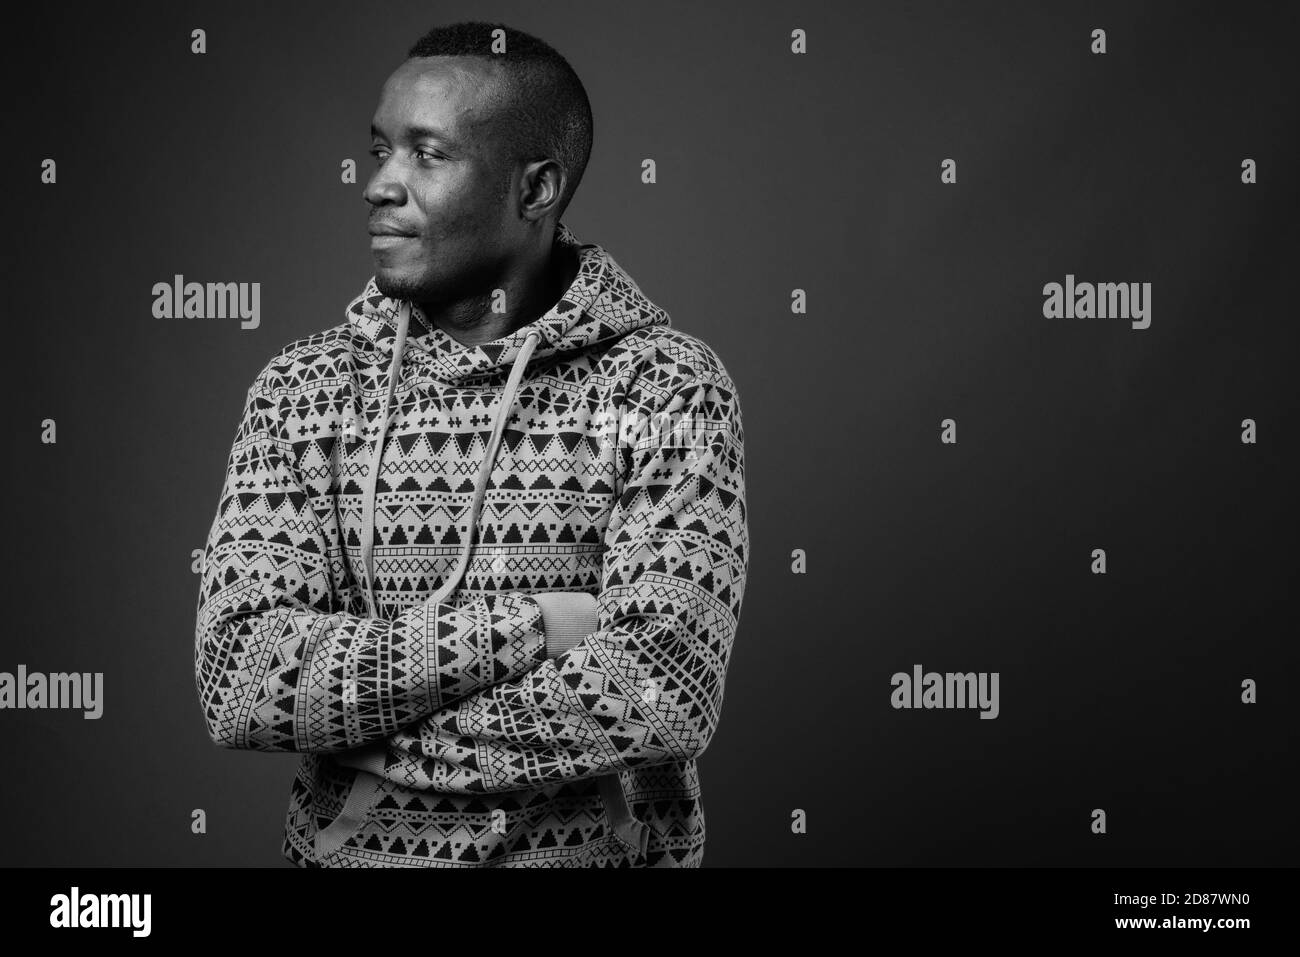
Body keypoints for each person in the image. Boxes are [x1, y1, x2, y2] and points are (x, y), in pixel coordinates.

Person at [193, 20, 748, 867]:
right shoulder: (302, 392)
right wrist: (543, 626)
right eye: (380, 149)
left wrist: (376, 742)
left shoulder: (667, 388)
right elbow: (243, 680)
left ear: (536, 189)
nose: (379, 183)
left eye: (427, 154)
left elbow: (661, 689)